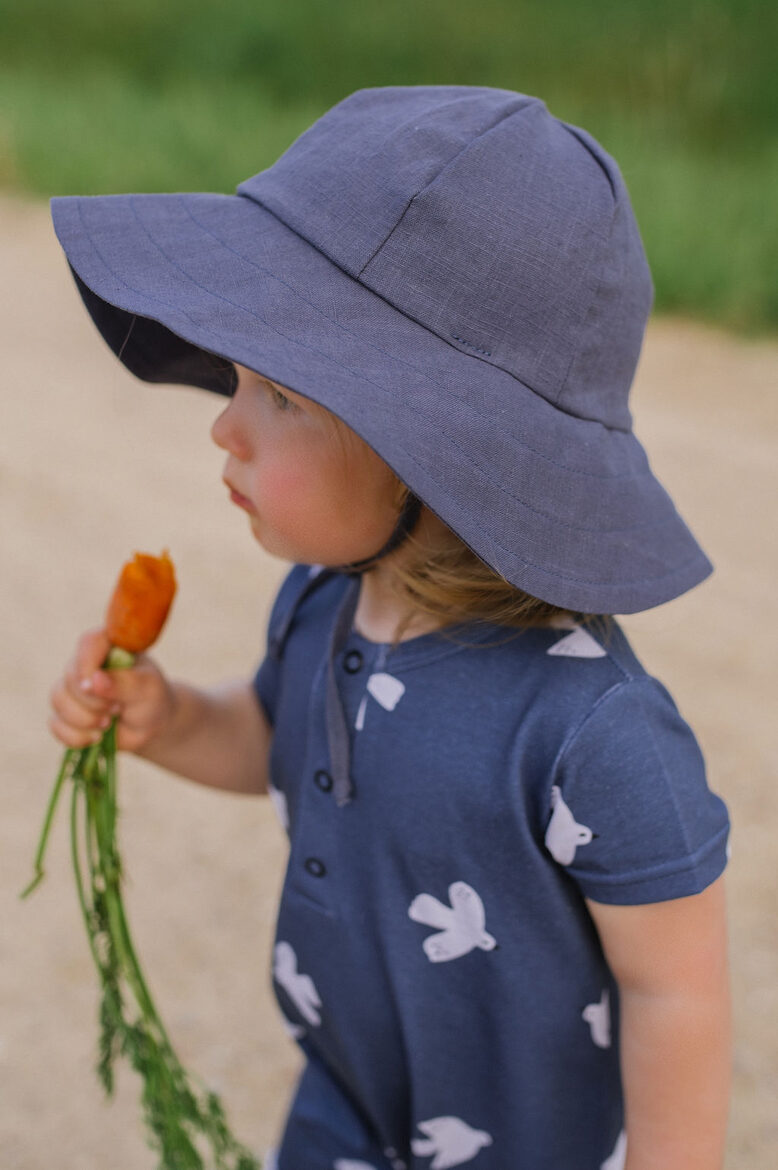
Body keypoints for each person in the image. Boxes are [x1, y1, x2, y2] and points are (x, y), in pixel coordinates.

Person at [47, 86, 731, 1170]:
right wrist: (169, 718)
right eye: (238, 377)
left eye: (277, 393)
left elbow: (673, 984)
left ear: (429, 449)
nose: (223, 425)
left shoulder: (588, 727)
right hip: (344, 1112)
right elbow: (277, 744)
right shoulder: (324, 602)